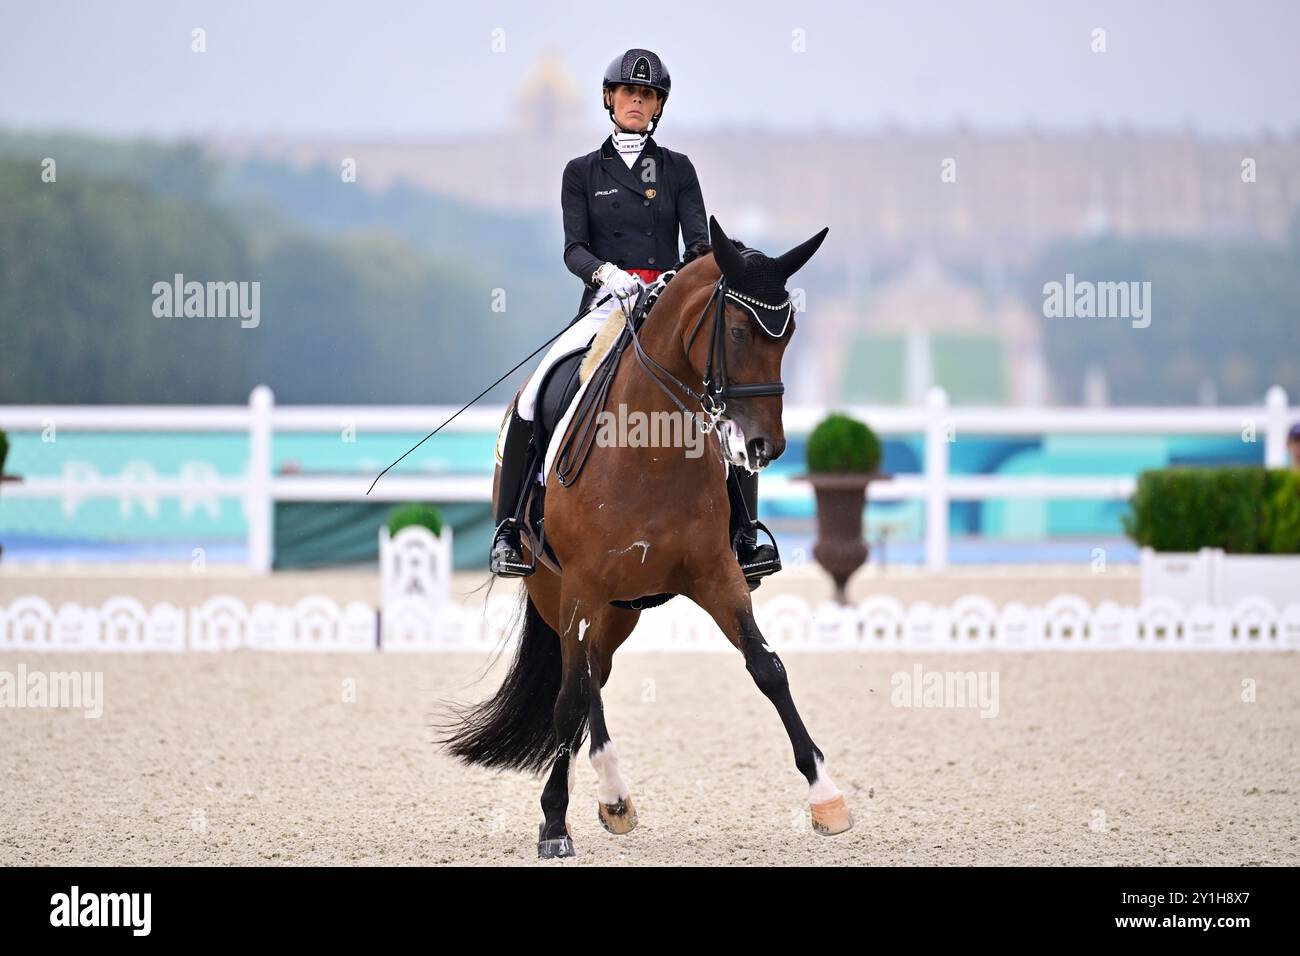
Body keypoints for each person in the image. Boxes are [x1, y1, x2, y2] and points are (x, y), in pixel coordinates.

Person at [489, 47, 779, 587]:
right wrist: (606, 274)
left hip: (666, 309)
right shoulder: (580, 173)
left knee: (722, 406)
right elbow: (573, 249)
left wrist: (675, 280)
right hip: (606, 305)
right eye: (629, 93)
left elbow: (697, 244)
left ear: (658, 107)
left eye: (647, 96)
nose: (636, 102)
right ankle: (509, 528)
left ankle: (745, 535)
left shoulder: (678, 169)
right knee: (533, 397)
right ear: (609, 98)